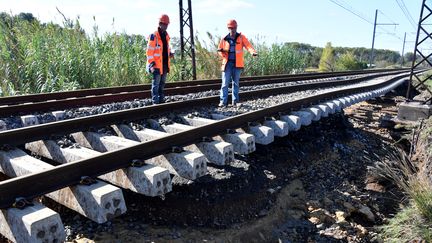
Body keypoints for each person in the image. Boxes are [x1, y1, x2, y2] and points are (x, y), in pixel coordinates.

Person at [217, 19, 257, 107]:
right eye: (230, 28)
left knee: (236, 84)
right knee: (225, 84)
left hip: (237, 64)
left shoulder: (241, 37)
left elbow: (248, 46)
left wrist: (252, 52)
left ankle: (235, 101)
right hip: (227, 64)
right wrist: (223, 53)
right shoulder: (224, 38)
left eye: (234, 28)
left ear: (236, 27)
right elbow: (219, 50)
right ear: (228, 28)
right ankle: (223, 102)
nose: (232, 30)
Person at [146, 14, 173, 104]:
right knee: (156, 84)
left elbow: (165, 49)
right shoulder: (154, 36)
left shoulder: (166, 36)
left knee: (162, 84)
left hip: (164, 64)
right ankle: (155, 101)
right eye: (164, 24)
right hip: (156, 65)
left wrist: (170, 54)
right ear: (160, 23)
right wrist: (151, 64)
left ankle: (161, 100)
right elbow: (149, 52)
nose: (165, 26)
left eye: (166, 24)